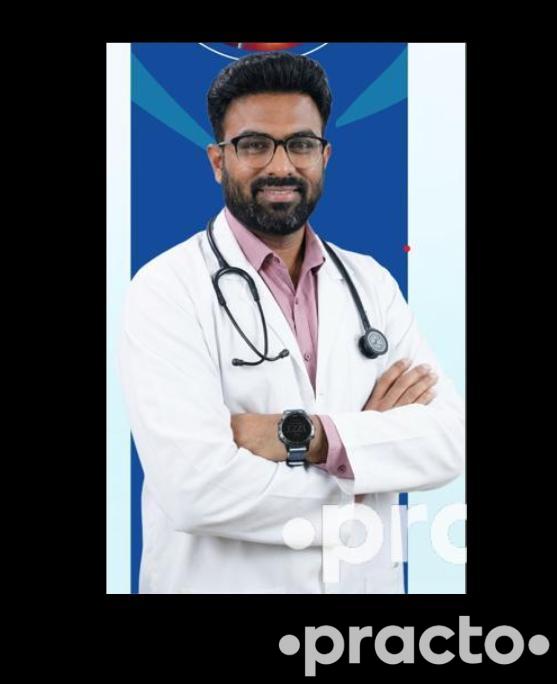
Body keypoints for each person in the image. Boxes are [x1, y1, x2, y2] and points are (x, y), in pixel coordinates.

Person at [118, 52, 464, 594]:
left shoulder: (371, 283)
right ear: (218, 160)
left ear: (324, 155)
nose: (281, 166)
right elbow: (196, 489)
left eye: (300, 144)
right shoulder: (166, 288)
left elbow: (448, 441)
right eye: (255, 144)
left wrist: (312, 437)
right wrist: (363, 475)